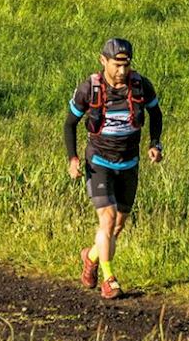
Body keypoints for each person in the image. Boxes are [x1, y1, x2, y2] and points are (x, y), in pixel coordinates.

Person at [64, 37, 164, 299]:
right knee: (106, 220)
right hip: (98, 162)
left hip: (129, 163)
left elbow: (156, 114)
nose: (122, 72)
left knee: (117, 227)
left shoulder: (141, 86)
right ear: (103, 61)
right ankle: (109, 279)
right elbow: (69, 124)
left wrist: (155, 144)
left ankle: (91, 256)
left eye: (126, 66)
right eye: (116, 66)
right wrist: (73, 158)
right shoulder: (90, 88)